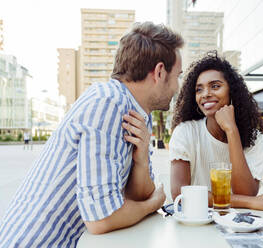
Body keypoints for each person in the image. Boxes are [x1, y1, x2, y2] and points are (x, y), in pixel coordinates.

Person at [0, 22, 184, 247]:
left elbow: (138, 196)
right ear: (159, 72)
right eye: (178, 76)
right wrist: (154, 203)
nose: (178, 86)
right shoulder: (107, 103)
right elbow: (101, 219)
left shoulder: (134, 113)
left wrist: (142, 159)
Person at [169, 52, 263, 212]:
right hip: (196, 224)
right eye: (199, 89)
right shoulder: (185, 132)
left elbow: (246, 192)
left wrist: (231, 130)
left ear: (232, 92)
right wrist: (248, 202)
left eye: (215, 86)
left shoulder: (255, 138)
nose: (205, 94)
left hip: (238, 226)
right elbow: (180, 194)